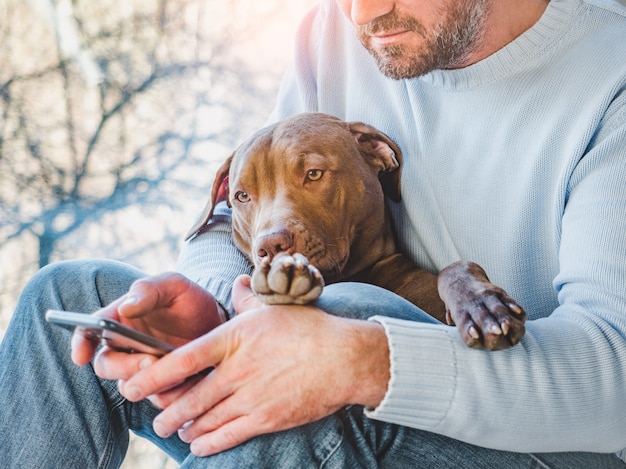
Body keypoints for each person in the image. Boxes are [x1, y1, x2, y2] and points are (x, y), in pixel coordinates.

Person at [1, 0, 626, 467]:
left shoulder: (608, 80)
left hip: (527, 445)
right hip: (345, 372)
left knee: (339, 311)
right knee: (68, 299)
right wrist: (229, 306)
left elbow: (616, 381)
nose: (363, 12)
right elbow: (241, 211)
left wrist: (350, 360)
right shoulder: (341, 30)